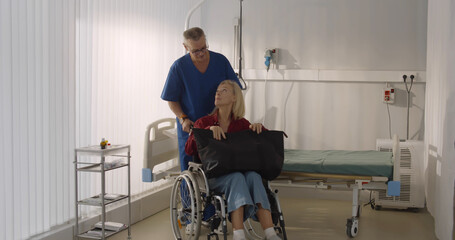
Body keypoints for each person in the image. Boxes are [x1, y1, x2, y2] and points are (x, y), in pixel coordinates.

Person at [185, 80, 282, 240]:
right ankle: (238, 234)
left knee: (254, 176)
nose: (218, 93)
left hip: (239, 173)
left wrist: (259, 129)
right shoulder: (204, 122)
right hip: (212, 176)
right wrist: (207, 132)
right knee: (237, 178)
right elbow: (189, 149)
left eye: (224, 90)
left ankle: (270, 233)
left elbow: (261, 143)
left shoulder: (241, 124)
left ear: (234, 98)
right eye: (217, 90)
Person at [161, 27, 240, 172]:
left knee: (223, 168)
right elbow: (171, 99)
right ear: (185, 47)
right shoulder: (179, 67)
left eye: (204, 48)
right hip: (192, 128)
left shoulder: (220, 61)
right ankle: (188, 195)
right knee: (191, 171)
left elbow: (235, 90)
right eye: (196, 51)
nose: (202, 53)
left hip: (220, 125)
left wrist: (233, 116)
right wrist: (182, 118)